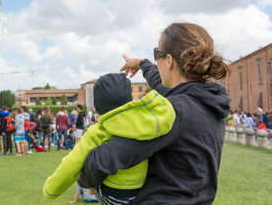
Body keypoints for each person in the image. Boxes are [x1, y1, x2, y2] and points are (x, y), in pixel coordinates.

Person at [78, 22, 230, 204]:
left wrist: (84, 178)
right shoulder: (208, 100)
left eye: (157, 54)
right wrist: (142, 64)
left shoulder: (172, 111)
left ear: (169, 60)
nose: (156, 60)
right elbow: (165, 83)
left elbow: (106, 158)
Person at [44, 73, 175, 203]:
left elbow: (72, 162)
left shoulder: (99, 130)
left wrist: (50, 189)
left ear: (99, 104)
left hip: (113, 191)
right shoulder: (149, 121)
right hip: (142, 187)